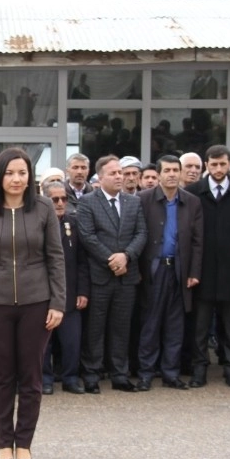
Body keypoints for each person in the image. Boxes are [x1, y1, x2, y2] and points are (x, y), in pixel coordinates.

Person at [0, 147, 65, 459]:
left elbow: (56, 258)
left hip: (37, 303)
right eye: (9, 173)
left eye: (22, 173)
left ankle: (23, 443)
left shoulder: (44, 208)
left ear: (30, 176)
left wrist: (58, 302)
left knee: (31, 375)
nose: (16, 179)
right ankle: (3, 444)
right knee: (2, 375)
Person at [75, 155, 147, 393]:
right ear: (100, 177)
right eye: (114, 173)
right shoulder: (87, 202)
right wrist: (112, 260)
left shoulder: (133, 202)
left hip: (127, 276)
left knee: (121, 327)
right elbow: (87, 236)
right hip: (100, 276)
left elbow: (141, 234)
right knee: (95, 328)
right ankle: (92, 375)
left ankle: (120, 375)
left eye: (122, 173)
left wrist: (126, 256)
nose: (120, 177)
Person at [185, 145, 230, 388]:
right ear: (206, 165)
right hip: (202, 271)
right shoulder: (193, 193)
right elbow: (189, 234)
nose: (218, 169)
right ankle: (199, 370)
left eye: (223, 164)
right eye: (213, 165)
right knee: (200, 327)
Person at [136, 155, 202, 390]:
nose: (172, 174)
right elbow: (137, 236)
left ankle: (170, 373)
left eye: (176, 170)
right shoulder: (143, 199)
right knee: (151, 323)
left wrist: (194, 271)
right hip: (153, 269)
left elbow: (197, 241)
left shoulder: (192, 202)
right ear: (159, 173)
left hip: (179, 269)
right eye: (168, 170)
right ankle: (145, 373)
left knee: (175, 324)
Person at [40, 180, 88, 394]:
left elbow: (82, 261)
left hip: (69, 293)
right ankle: (45, 379)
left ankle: (70, 378)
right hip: (43, 293)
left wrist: (82, 291)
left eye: (64, 199)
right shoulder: (37, 224)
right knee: (43, 342)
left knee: (71, 341)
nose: (60, 203)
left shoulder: (73, 223)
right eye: (55, 199)